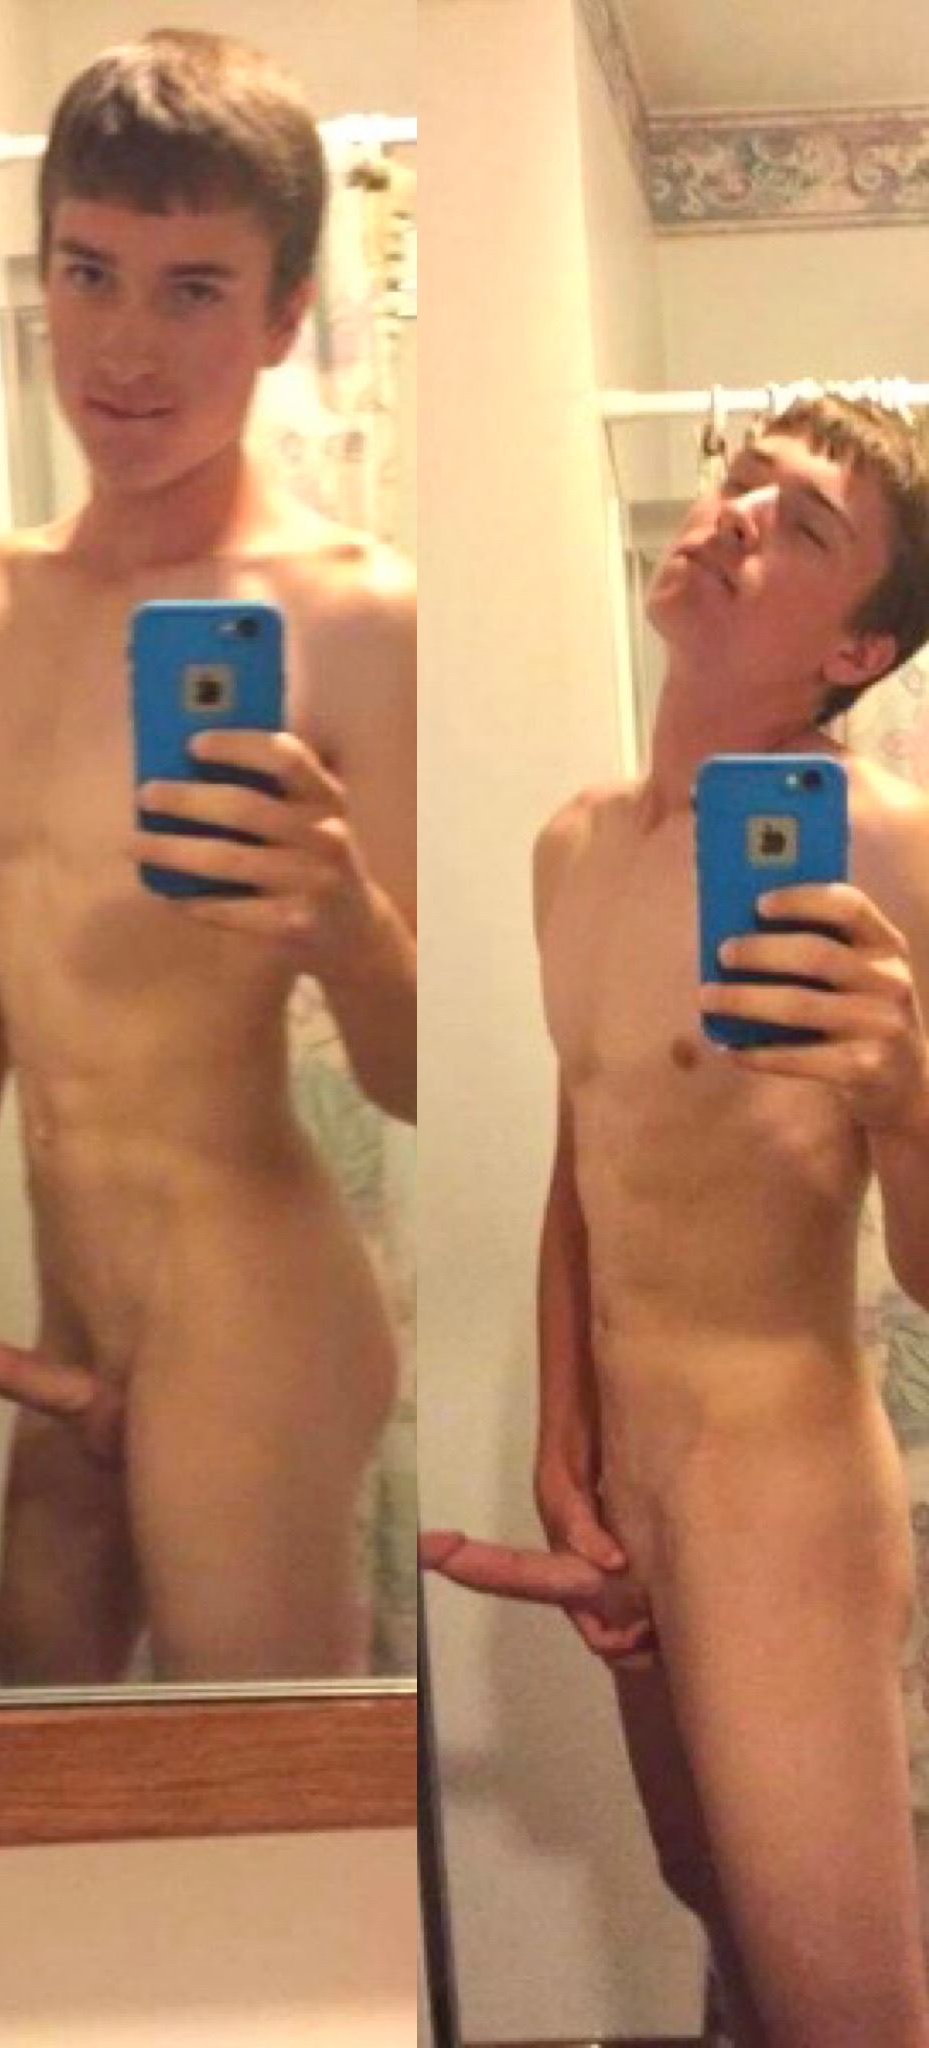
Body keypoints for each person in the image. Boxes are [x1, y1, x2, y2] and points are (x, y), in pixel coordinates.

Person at [0, 31, 416, 1684]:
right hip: (74, 1313)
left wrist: (346, 922)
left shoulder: (355, 618)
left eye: (195, 290)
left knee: (264, 1808)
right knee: (43, 1782)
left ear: (284, 315)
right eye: (90, 273)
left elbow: (420, 1074)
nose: (127, 347)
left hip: (250, 1306)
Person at [430, 395, 929, 2044]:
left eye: (804, 524)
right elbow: (587, 1147)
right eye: (744, 481)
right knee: (718, 1919)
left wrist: (908, 1098)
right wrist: (563, 1443)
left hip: (779, 1497)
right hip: (637, 1485)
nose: (738, 517)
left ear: (856, 653)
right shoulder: (572, 846)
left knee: (844, 2015)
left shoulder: (894, 853)